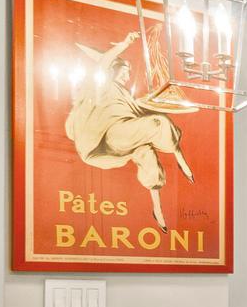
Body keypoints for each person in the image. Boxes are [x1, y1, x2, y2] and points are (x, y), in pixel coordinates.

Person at [64, 30, 198, 230]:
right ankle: (179, 158)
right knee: (157, 123)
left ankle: (157, 209)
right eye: (125, 70)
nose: (128, 74)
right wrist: (124, 44)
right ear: (114, 71)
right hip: (112, 136)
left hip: (124, 137)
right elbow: (104, 62)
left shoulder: (126, 94)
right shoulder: (102, 86)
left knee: (147, 153)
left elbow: (138, 111)